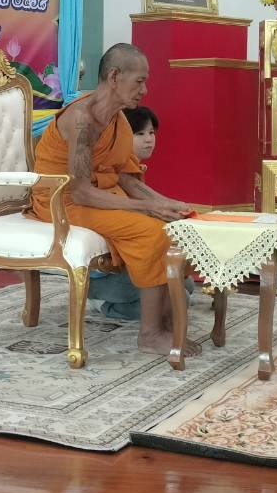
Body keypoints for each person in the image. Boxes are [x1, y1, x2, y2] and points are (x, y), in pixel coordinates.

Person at [29, 45, 198, 356]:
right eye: (140, 81)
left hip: (98, 195)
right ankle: (149, 335)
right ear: (115, 76)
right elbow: (80, 192)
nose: (145, 90)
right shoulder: (82, 120)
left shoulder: (117, 119)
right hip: (61, 201)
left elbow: (125, 177)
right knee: (151, 232)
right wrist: (148, 207)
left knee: (176, 223)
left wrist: (167, 203)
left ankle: (165, 320)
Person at [86, 106, 172, 320]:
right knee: (174, 295)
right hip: (105, 275)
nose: (149, 140)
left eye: (151, 133)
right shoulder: (110, 169)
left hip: (129, 266)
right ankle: (100, 302)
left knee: (183, 285)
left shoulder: (131, 169)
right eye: (139, 134)